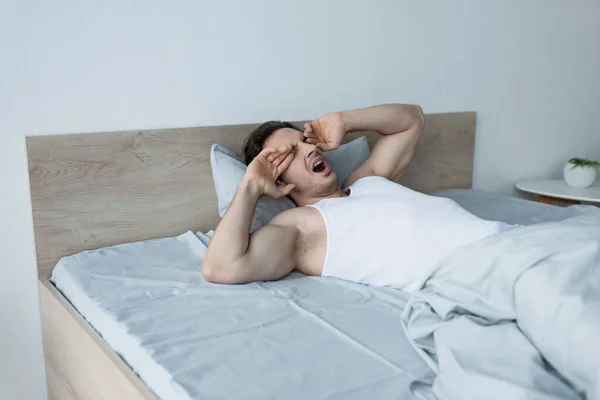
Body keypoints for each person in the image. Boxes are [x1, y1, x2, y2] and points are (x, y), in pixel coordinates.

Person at [202, 104, 510, 292]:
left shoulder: (366, 181)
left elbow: (412, 119)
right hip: (481, 275)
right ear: (278, 179)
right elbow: (221, 267)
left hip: (508, 243)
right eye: (292, 153)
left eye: (304, 142)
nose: (311, 149)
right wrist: (251, 187)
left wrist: (345, 120)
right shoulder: (301, 226)